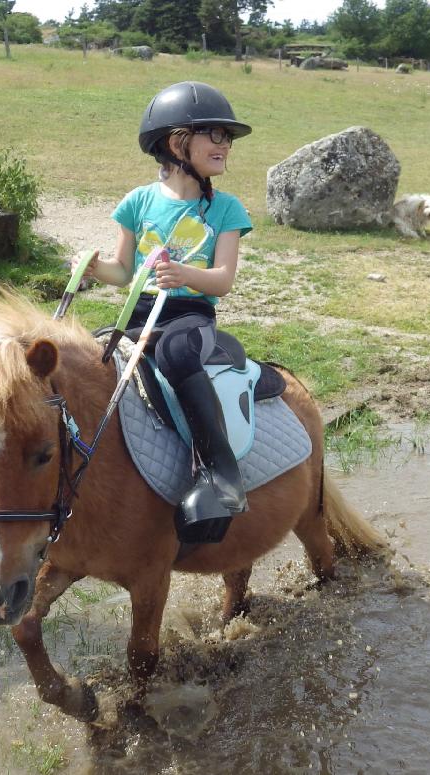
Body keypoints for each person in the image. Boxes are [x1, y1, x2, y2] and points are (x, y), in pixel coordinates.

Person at [80, 81, 253, 544]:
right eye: (214, 135)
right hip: (139, 313)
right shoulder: (137, 202)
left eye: (227, 138)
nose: (224, 146)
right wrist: (91, 269)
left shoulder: (227, 209)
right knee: (88, 357)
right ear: (177, 142)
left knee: (177, 352)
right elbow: (123, 270)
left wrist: (186, 276)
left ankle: (221, 474)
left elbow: (223, 280)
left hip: (191, 315)